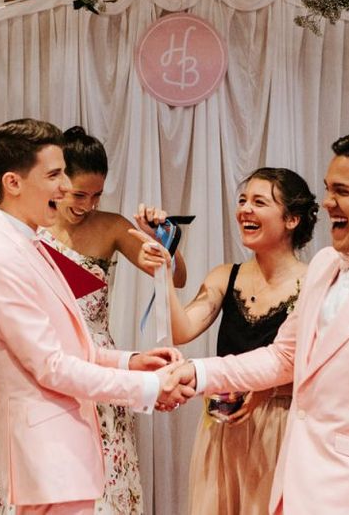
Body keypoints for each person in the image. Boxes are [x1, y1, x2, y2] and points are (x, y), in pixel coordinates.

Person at [162, 133, 349, 515]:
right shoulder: (324, 264)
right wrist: (198, 372)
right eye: (327, 189)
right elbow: (282, 356)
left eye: (342, 191)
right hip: (290, 484)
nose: (327, 202)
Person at [0, 118, 192, 515]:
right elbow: (51, 366)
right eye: (54, 175)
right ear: (13, 183)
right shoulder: (0, 256)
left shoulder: (25, 242)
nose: (65, 188)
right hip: (47, 453)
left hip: (69, 447)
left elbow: (70, 344)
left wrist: (131, 361)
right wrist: (150, 386)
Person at [134, 167, 318, 515]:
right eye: (243, 200)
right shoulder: (225, 275)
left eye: (259, 202)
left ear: (292, 219)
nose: (245, 209)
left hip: (279, 426)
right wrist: (164, 262)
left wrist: (264, 389)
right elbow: (182, 329)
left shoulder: (313, 283)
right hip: (222, 422)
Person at [43, 125, 187, 514]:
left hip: (100, 362)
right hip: (44, 356)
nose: (87, 205)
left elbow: (175, 277)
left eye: (96, 196)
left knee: (104, 478)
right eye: (78, 194)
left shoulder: (110, 225)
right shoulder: (31, 227)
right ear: (57, 182)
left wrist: (163, 239)